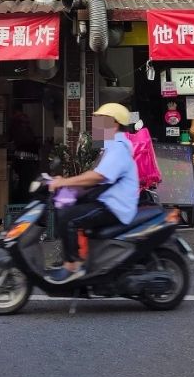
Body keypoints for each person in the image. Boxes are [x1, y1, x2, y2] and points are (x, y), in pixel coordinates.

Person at [48, 102, 139, 284]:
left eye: (100, 120)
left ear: (114, 123)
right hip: (107, 201)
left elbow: (97, 176)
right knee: (69, 208)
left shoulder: (118, 147)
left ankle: (71, 266)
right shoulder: (111, 146)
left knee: (68, 218)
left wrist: (64, 182)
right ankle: (83, 258)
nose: (95, 124)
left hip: (114, 206)